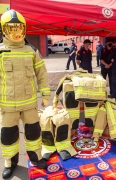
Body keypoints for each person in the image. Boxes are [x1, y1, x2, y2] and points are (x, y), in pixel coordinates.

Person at [0, 10, 51, 178]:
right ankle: (10, 162)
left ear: (24, 29)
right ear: (3, 30)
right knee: (8, 137)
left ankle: (35, 158)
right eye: (11, 29)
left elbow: (42, 74)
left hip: (29, 104)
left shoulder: (32, 51)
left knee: (34, 133)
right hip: (8, 106)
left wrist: (45, 95)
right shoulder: (0, 52)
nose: (15, 33)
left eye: (18, 29)